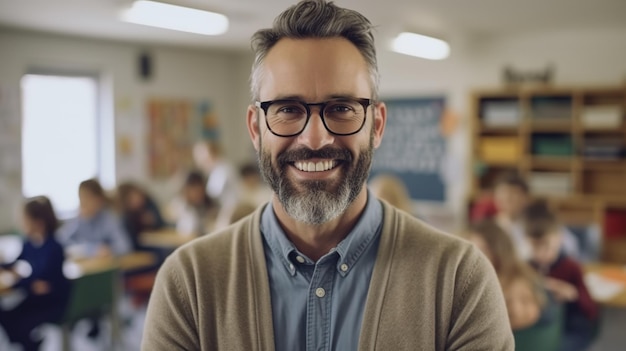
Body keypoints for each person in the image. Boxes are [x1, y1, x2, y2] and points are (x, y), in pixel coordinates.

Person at [142, 1, 514, 350]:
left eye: (341, 108)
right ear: (256, 129)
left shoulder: (459, 281)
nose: (315, 138)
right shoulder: (188, 283)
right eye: (288, 109)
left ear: (377, 125)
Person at [523, 200, 598, 351]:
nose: (541, 253)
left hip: (571, 328)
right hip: (540, 326)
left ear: (559, 238)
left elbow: (590, 309)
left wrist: (572, 294)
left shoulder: (571, 267)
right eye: (534, 246)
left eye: (546, 245)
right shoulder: (527, 267)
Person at [0, 196, 70, 351]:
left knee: (20, 322)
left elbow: (41, 280)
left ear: (38, 222)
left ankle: (31, 345)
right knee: (5, 314)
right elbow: (17, 265)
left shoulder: (54, 247)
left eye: (24, 219)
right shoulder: (29, 243)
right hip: (36, 296)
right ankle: (31, 344)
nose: (21, 224)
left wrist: (22, 282)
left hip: (52, 302)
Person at [465, 220, 549, 330]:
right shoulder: (471, 280)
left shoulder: (516, 281)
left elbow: (522, 315)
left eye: (484, 249)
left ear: (499, 251)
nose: (477, 256)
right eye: (472, 250)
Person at [493, 171, 580, 260]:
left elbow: (570, 245)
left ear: (525, 197)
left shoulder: (541, 220)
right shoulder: (491, 225)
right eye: (502, 193)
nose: (507, 198)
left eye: (513, 194)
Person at [57, 179, 132, 258]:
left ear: (99, 200)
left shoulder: (110, 218)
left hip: (105, 266)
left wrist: (110, 250)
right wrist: (85, 248)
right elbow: (60, 240)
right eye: (81, 198)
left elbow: (125, 247)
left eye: (87, 198)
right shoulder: (79, 219)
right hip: (86, 266)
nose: (83, 203)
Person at [116, 181, 166, 250]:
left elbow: (161, 224)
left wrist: (153, 221)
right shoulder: (125, 217)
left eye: (137, 195)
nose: (137, 199)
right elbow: (130, 241)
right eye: (131, 198)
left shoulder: (149, 204)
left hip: (153, 243)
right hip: (136, 247)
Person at [166, 171, 217, 237]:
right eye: (195, 190)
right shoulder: (180, 204)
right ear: (187, 190)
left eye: (200, 190)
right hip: (183, 241)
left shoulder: (209, 205)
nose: (198, 194)